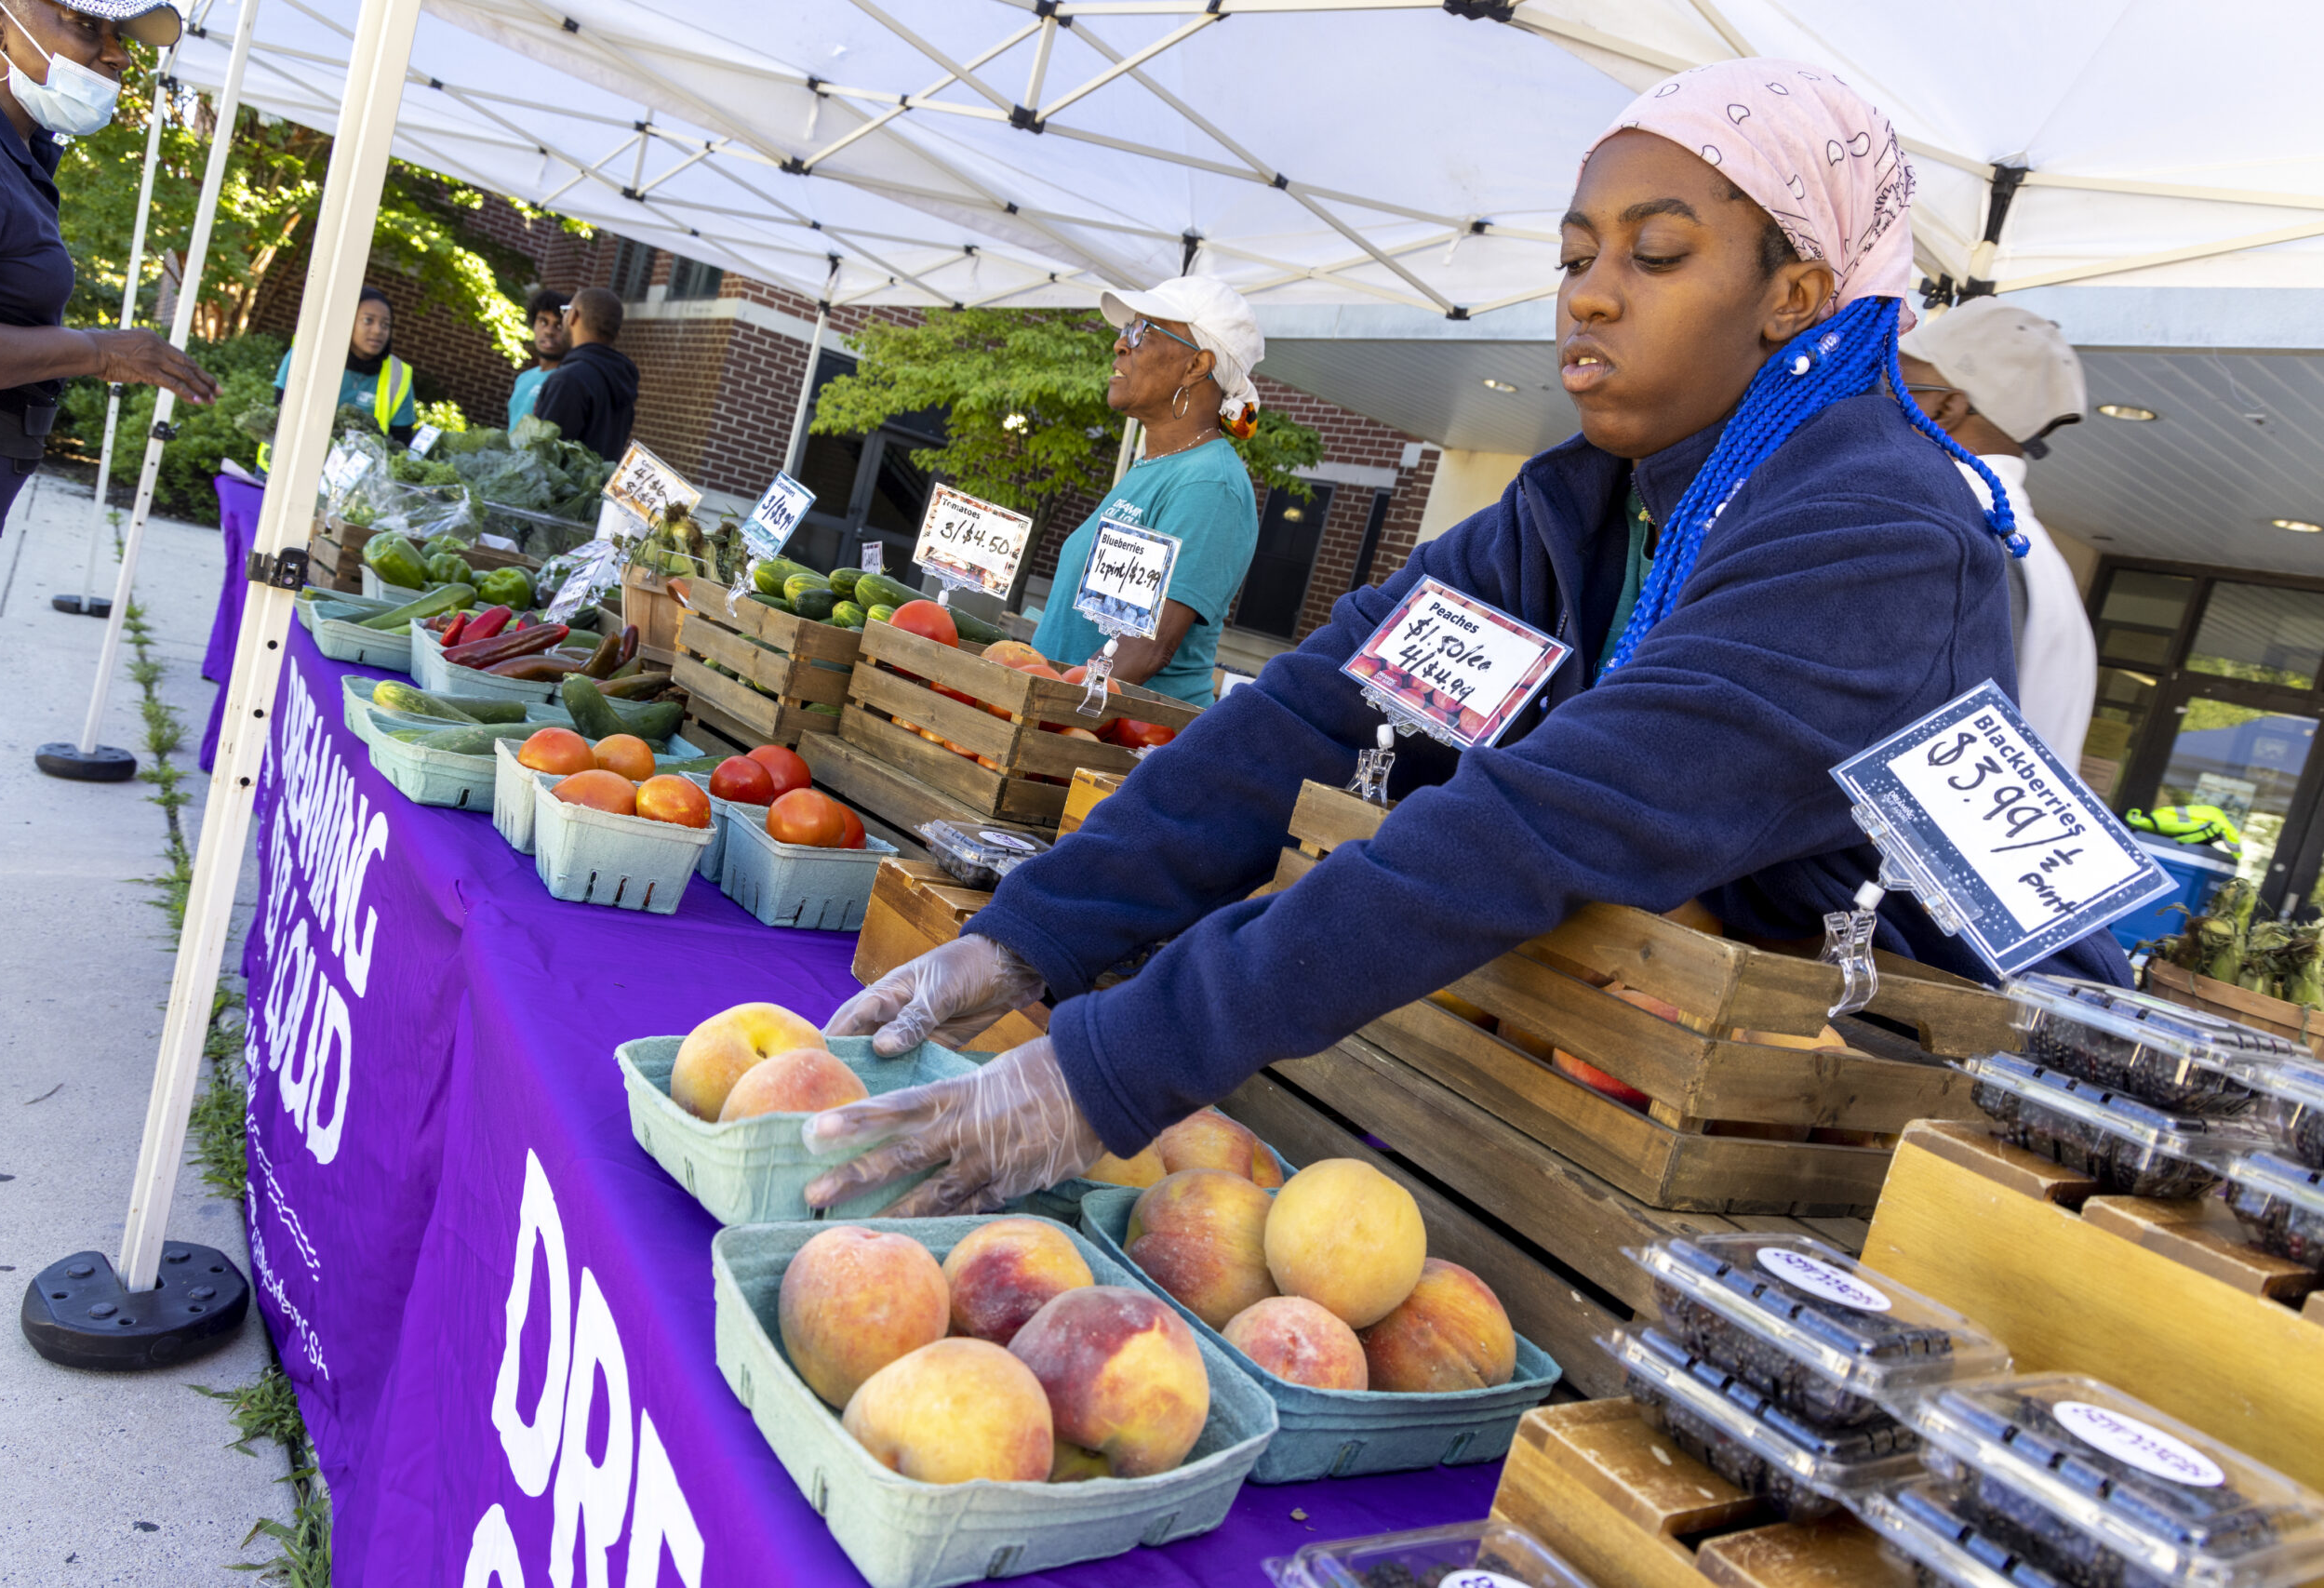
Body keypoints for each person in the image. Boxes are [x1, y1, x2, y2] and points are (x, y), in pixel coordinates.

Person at [797, 60, 2134, 1220]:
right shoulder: (1587, 503)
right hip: (1610, 1101)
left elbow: (1535, 822)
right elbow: (1317, 706)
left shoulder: (1880, 542)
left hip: (1883, 1143)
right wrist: (1033, 932)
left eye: (1654, 254)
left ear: (1797, 290)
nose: (1591, 298)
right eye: (1574, 256)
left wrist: (1108, 1066)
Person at [0, 0, 213, 625]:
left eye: (121, 36)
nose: (118, 55)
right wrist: (97, 351)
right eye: (89, 27)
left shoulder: (2, 141)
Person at [1028, 277, 1263, 707]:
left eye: (1141, 332)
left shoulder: (1209, 483)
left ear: (1196, 366)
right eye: (1124, 331)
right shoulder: (1157, 466)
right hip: (1069, 718)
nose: (1121, 345)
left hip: (1122, 741)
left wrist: (1042, 708)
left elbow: (1145, 649)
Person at [1899, 299, 2098, 769]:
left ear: (1945, 408)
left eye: (1892, 384)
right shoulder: (2031, 551)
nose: (1871, 398)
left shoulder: (1943, 523)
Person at [267, 287, 416, 470]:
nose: (378, 330)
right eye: (368, 321)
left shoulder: (398, 375)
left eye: (386, 325)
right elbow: (279, 414)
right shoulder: (309, 353)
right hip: (285, 467)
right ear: (347, 320)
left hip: (354, 482)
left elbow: (401, 444)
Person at [531, 286, 637, 459]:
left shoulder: (568, 380)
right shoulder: (622, 382)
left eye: (565, 311)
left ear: (573, 316)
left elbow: (543, 461)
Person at [506, 287, 568, 433]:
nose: (549, 331)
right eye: (543, 322)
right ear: (533, 324)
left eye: (559, 325)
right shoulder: (523, 378)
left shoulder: (565, 382)